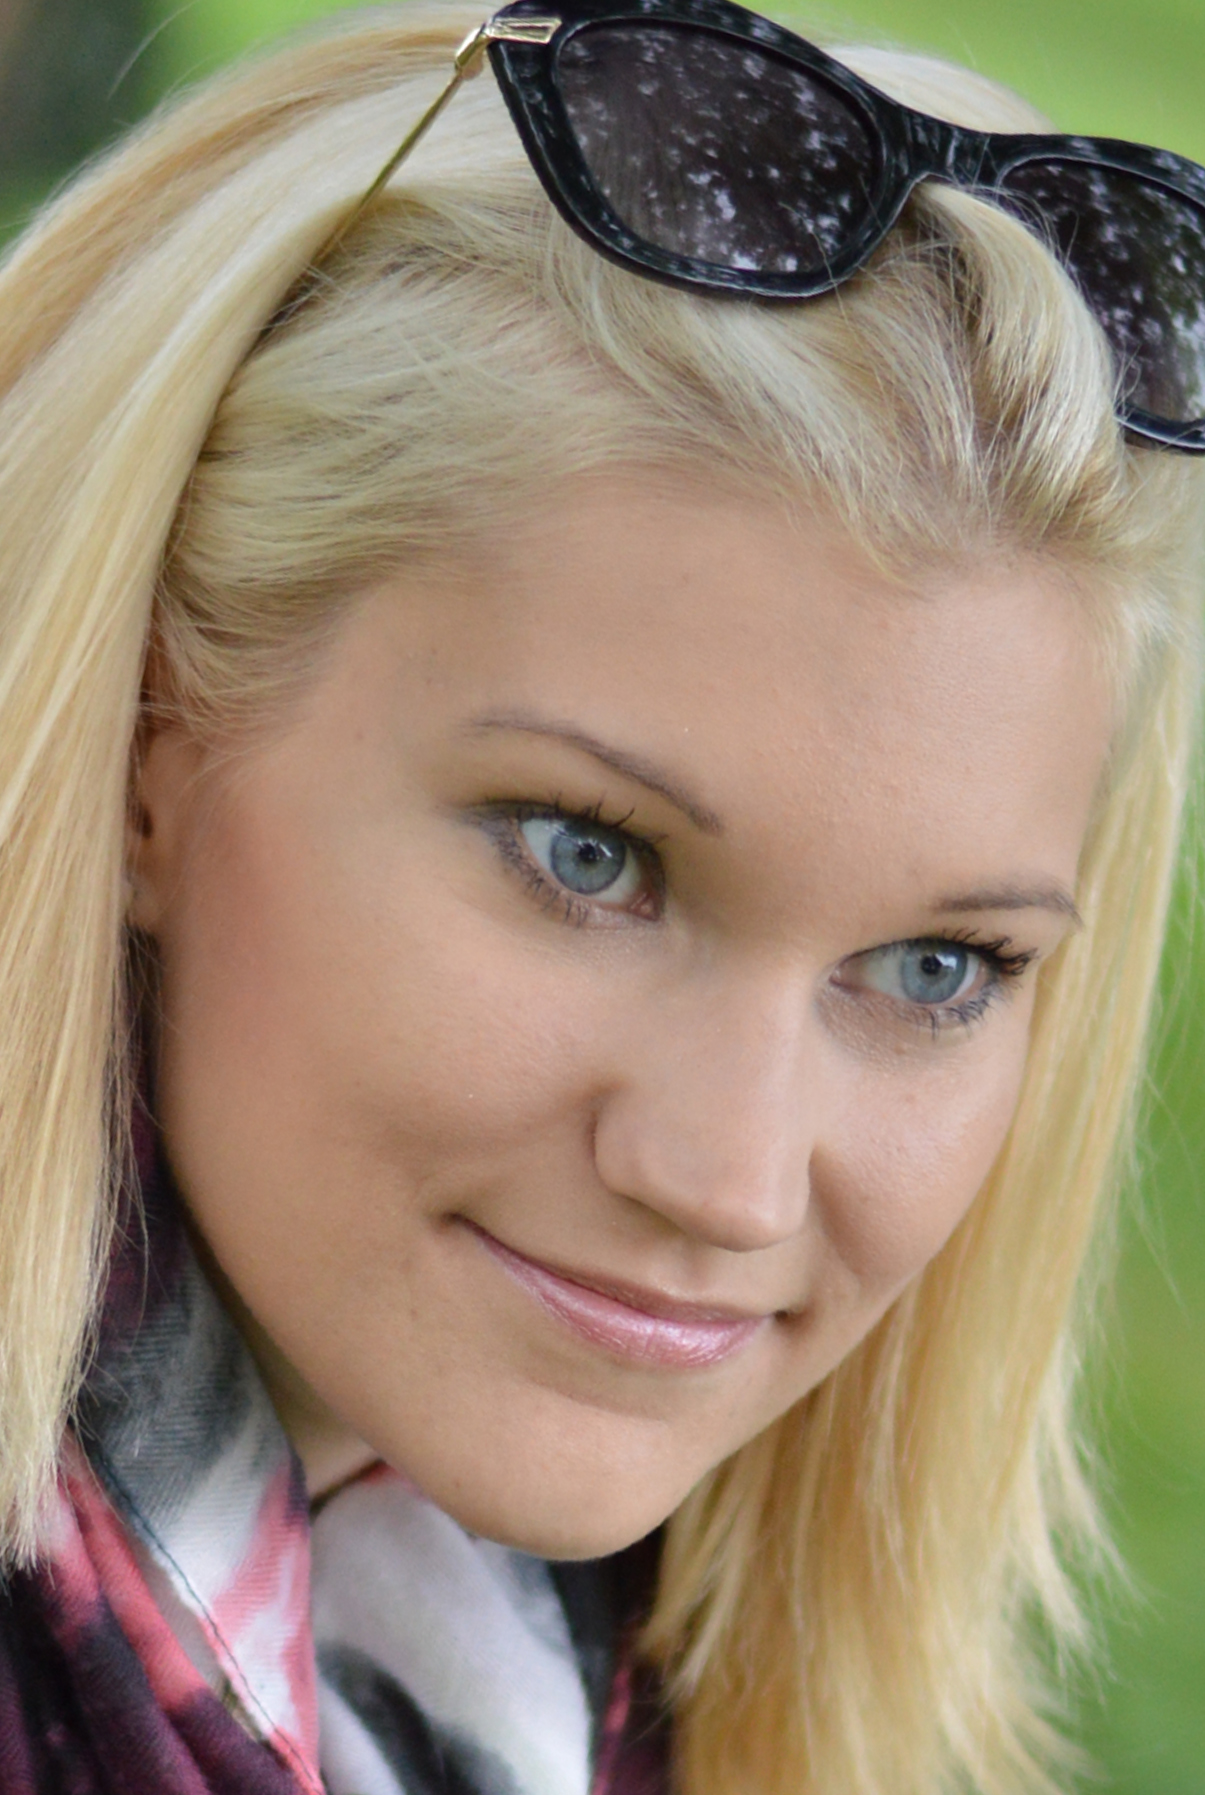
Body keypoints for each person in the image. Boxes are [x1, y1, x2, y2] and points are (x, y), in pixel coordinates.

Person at [0, 2, 1202, 1791]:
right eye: (589, 856)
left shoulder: (577, 1690)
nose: (727, 1179)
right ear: (147, 738)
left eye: (936, 967)